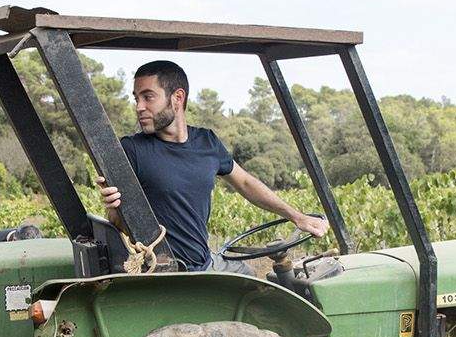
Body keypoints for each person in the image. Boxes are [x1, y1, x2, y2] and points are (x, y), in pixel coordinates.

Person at [97, 60, 326, 272]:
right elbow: (119, 221)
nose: (139, 106)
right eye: (136, 98)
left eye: (148, 97)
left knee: (249, 276)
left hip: (206, 261)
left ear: (177, 98)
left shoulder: (207, 142)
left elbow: (245, 182)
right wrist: (114, 208)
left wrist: (298, 217)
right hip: (171, 271)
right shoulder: (131, 150)